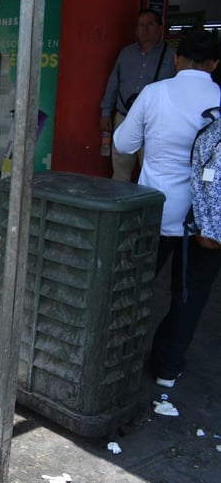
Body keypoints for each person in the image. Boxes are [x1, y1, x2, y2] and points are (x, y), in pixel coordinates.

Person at [113, 29, 221, 388]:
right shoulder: (220, 99)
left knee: (131, 290)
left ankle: (113, 359)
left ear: (177, 59)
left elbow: (124, 143)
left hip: (154, 213)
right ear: (214, 64)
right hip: (206, 221)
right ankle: (166, 369)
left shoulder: (154, 93)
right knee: (190, 295)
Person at [100, 9, 176, 181]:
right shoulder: (126, 53)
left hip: (155, 120)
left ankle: (144, 206)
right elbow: (114, 83)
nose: (145, 29)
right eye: (141, 25)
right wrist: (106, 112)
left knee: (151, 170)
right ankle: (119, 204)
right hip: (124, 116)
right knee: (120, 167)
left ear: (159, 28)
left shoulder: (171, 56)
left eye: (150, 24)